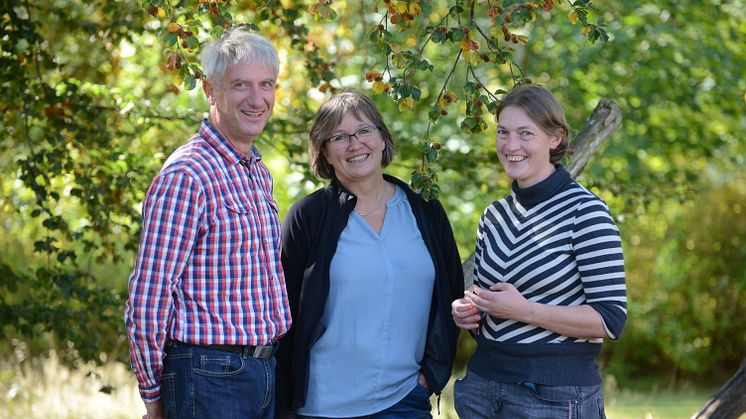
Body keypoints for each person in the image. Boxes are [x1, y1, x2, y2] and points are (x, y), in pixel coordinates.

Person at [124, 28, 291, 419]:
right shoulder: (188, 174)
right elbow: (149, 297)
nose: (257, 99)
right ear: (210, 90)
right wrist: (152, 397)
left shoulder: (255, 172)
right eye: (241, 85)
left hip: (262, 370)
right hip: (208, 376)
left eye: (266, 85)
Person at [276, 91, 464, 418]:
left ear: (381, 137)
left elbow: (451, 295)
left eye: (364, 131)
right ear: (324, 152)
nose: (355, 144)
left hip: (405, 401)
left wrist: (432, 375)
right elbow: (281, 315)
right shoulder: (309, 216)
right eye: (339, 137)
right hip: (322, 407)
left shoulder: (425, 211)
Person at [451, 84, 627, 418]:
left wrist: (523, 310)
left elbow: (610, 319)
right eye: (503, 132)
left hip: (552, 398)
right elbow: (496, 309)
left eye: (525, 133)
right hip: (482, 389)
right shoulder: (494, 215)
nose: (510, 145)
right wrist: (469, 311)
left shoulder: (585, 211)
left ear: (556, 138)